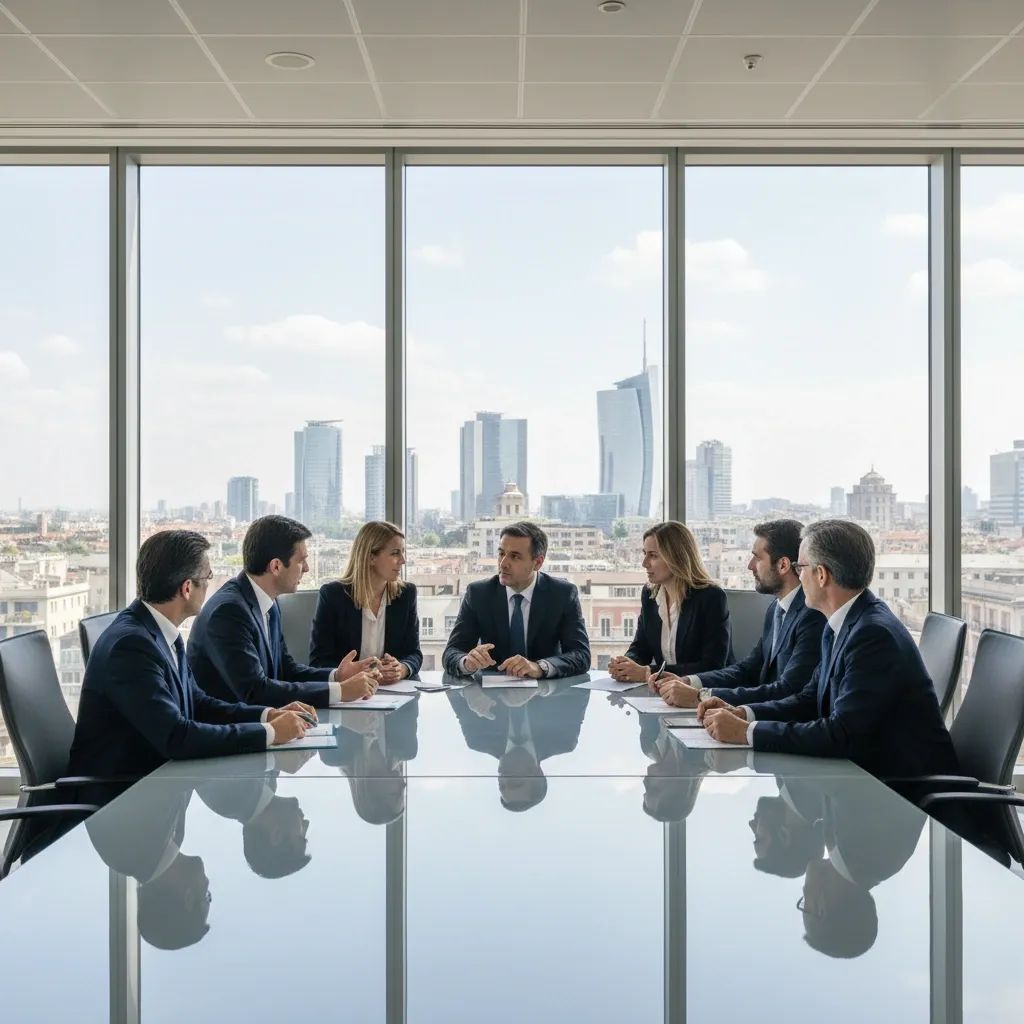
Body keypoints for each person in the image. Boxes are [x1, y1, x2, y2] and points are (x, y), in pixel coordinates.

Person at [700, 520, 959, 779]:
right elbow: (809, 700)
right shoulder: (842, 622)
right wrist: (743, 714)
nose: (798, 576)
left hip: (901, 788)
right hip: (860, 776)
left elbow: (842, 734)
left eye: (801, 568)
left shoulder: (872, 635)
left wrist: (747, 733)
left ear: (821, 575)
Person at [68, 530, 314, 782]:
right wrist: (269, 733)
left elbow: (199, 704)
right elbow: (176, 737)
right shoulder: (131, 647)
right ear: (187, 588)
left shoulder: (158, 632)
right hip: (122, 794)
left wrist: (267, 715)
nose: (209, 586)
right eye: (207, 578)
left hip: (162, 781)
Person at [188, 515, 379, 708]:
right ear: (276, 566)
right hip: (232, 723)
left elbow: (285, 669)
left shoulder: (267, 600)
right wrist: (341, 691)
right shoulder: (229, 612)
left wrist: (337, 676)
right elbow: (256, 691)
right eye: (301, 561)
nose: (307, 568)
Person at [655, 519, 825, 709]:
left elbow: (788, 689)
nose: (750, 566)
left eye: (757, 558)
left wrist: (701, 696)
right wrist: (689, 681)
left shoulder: (812, 615)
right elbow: (748, 669)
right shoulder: (776, 609)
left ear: (783, 565)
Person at [441, 521, 591, 679]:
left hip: (546, 690)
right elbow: (451, 652)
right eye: (501, 553)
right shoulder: (479, 593)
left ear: (537, 562)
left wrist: (539, 667)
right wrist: (467, 662)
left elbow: (581, 655)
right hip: (491, 691)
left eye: (515, 556)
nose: (503, 564)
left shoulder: (562, 594)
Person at [608, 521, 731, 684]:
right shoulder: (650, 594)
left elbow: (713, 665)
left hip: (702, 692)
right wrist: (625, 665)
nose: (644, 563)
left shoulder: (711, 597)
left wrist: (648, 673)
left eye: (653, 555)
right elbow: (641, 647)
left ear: (676, 557)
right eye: (645, 554)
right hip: (661, 692)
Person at [448, 679, 590, 812]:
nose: (503, 778)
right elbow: (581, 685)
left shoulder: (478, 739)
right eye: (514, 782)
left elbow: (449, 681)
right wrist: (541, 688)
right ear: (537, 774)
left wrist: (465, 691)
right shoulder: (562, 740)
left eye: (501, 785)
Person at [309, 520, 422, 682]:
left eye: (403, 552)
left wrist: (402, 669)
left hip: (395, 689)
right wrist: (357, 672)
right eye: (395, 553)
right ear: (371, 557)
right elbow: (319, 661)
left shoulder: (406, 594)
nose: (403, 560)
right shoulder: (333, 595)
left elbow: (414, 653)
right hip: (350, 690)